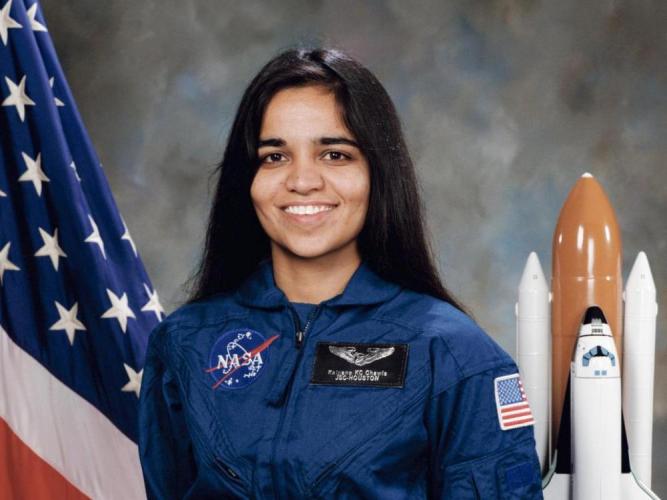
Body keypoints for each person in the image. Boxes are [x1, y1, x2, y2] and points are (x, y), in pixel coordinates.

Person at [138, 47, 543, 499]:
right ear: (246, 180)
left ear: (377, 174)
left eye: (334, 155)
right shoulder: (186, 343)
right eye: (274, 156)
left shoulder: (455, 356)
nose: (303, 180)